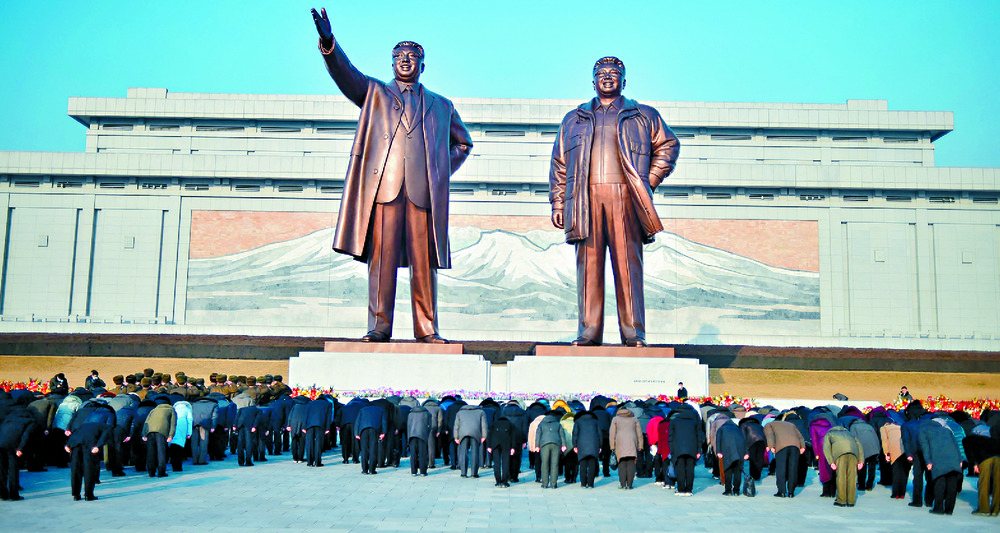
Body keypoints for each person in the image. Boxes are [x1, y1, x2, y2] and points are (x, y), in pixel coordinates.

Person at [311, 7, 473, 344]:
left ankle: (427, 330)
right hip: (384, 190)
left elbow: (463, 143)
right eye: (399, 55)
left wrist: (439, 172)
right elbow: (346, 73)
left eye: (413, 56)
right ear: (391, 62)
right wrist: (329, 42)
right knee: (381, 262)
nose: (405, 60)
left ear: (422, 66)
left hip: (422, 194)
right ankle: (379, 327)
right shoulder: (374, 94)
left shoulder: (441, 106)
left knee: (423, 264)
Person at [549, 56, 680, 347]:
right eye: (601, 73)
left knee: (627, 266)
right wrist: (559, 203)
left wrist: (648, 181)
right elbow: (559, 163)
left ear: (624, 80)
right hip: (585, 199)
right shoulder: (574, 118)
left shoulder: (642, 114)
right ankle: (589, 331)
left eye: (613, 73)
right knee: (588, 269)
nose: (607, 77)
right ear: (592, 80)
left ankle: (634, 333)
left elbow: (669, 145)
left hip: (625, 198)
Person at [65, 422, 111, 501]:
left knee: (76, 469)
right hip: (89, 444)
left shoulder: (84, 424)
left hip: (75, 444)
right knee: (89, 469)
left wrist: (68, 445)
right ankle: (88, 495)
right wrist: (98, 446)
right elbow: (104, 436)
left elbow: (75, 433)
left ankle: (76, 495)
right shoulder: (107, 427)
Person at [823, 425, 865, 507]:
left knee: (841, 477)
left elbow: (826, 448)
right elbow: (859, 446)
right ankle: (851, 501)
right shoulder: (849, 433)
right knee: (852, 478)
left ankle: (841, 501)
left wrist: (831, 462)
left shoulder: (830, 434)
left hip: (840, 454)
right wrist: (861, 461)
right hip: (853, 454)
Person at [764, 417, 805, 498]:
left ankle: (781, 491)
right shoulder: (790, 424)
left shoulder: (768, 425)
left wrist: (771, 446)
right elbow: (800, 436)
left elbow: (770, 435)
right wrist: (802, 446)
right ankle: (791, 492)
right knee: (793, 468)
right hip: (795, 446)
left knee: (781, 469)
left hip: (782, 446)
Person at [609, 406, 643, 489]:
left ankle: (623, 484)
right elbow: (639, 433)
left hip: (620, 442)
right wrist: (640, 445)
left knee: (622, 463)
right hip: (632, 441)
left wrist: (612, 446)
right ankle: (630, 484)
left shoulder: (615, 419)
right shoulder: (634, 419)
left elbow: (612, 433)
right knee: (631, 463)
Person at [453, 403, 488, 478]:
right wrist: (484, 436)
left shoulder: (460, 413)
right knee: (475, 453)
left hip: (463, 434)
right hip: (476, 433)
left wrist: (456, 437)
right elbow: (484, 425)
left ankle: (463, 473)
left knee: (463, 453)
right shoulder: (481, 412)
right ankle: (474, 473)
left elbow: (456, 426)